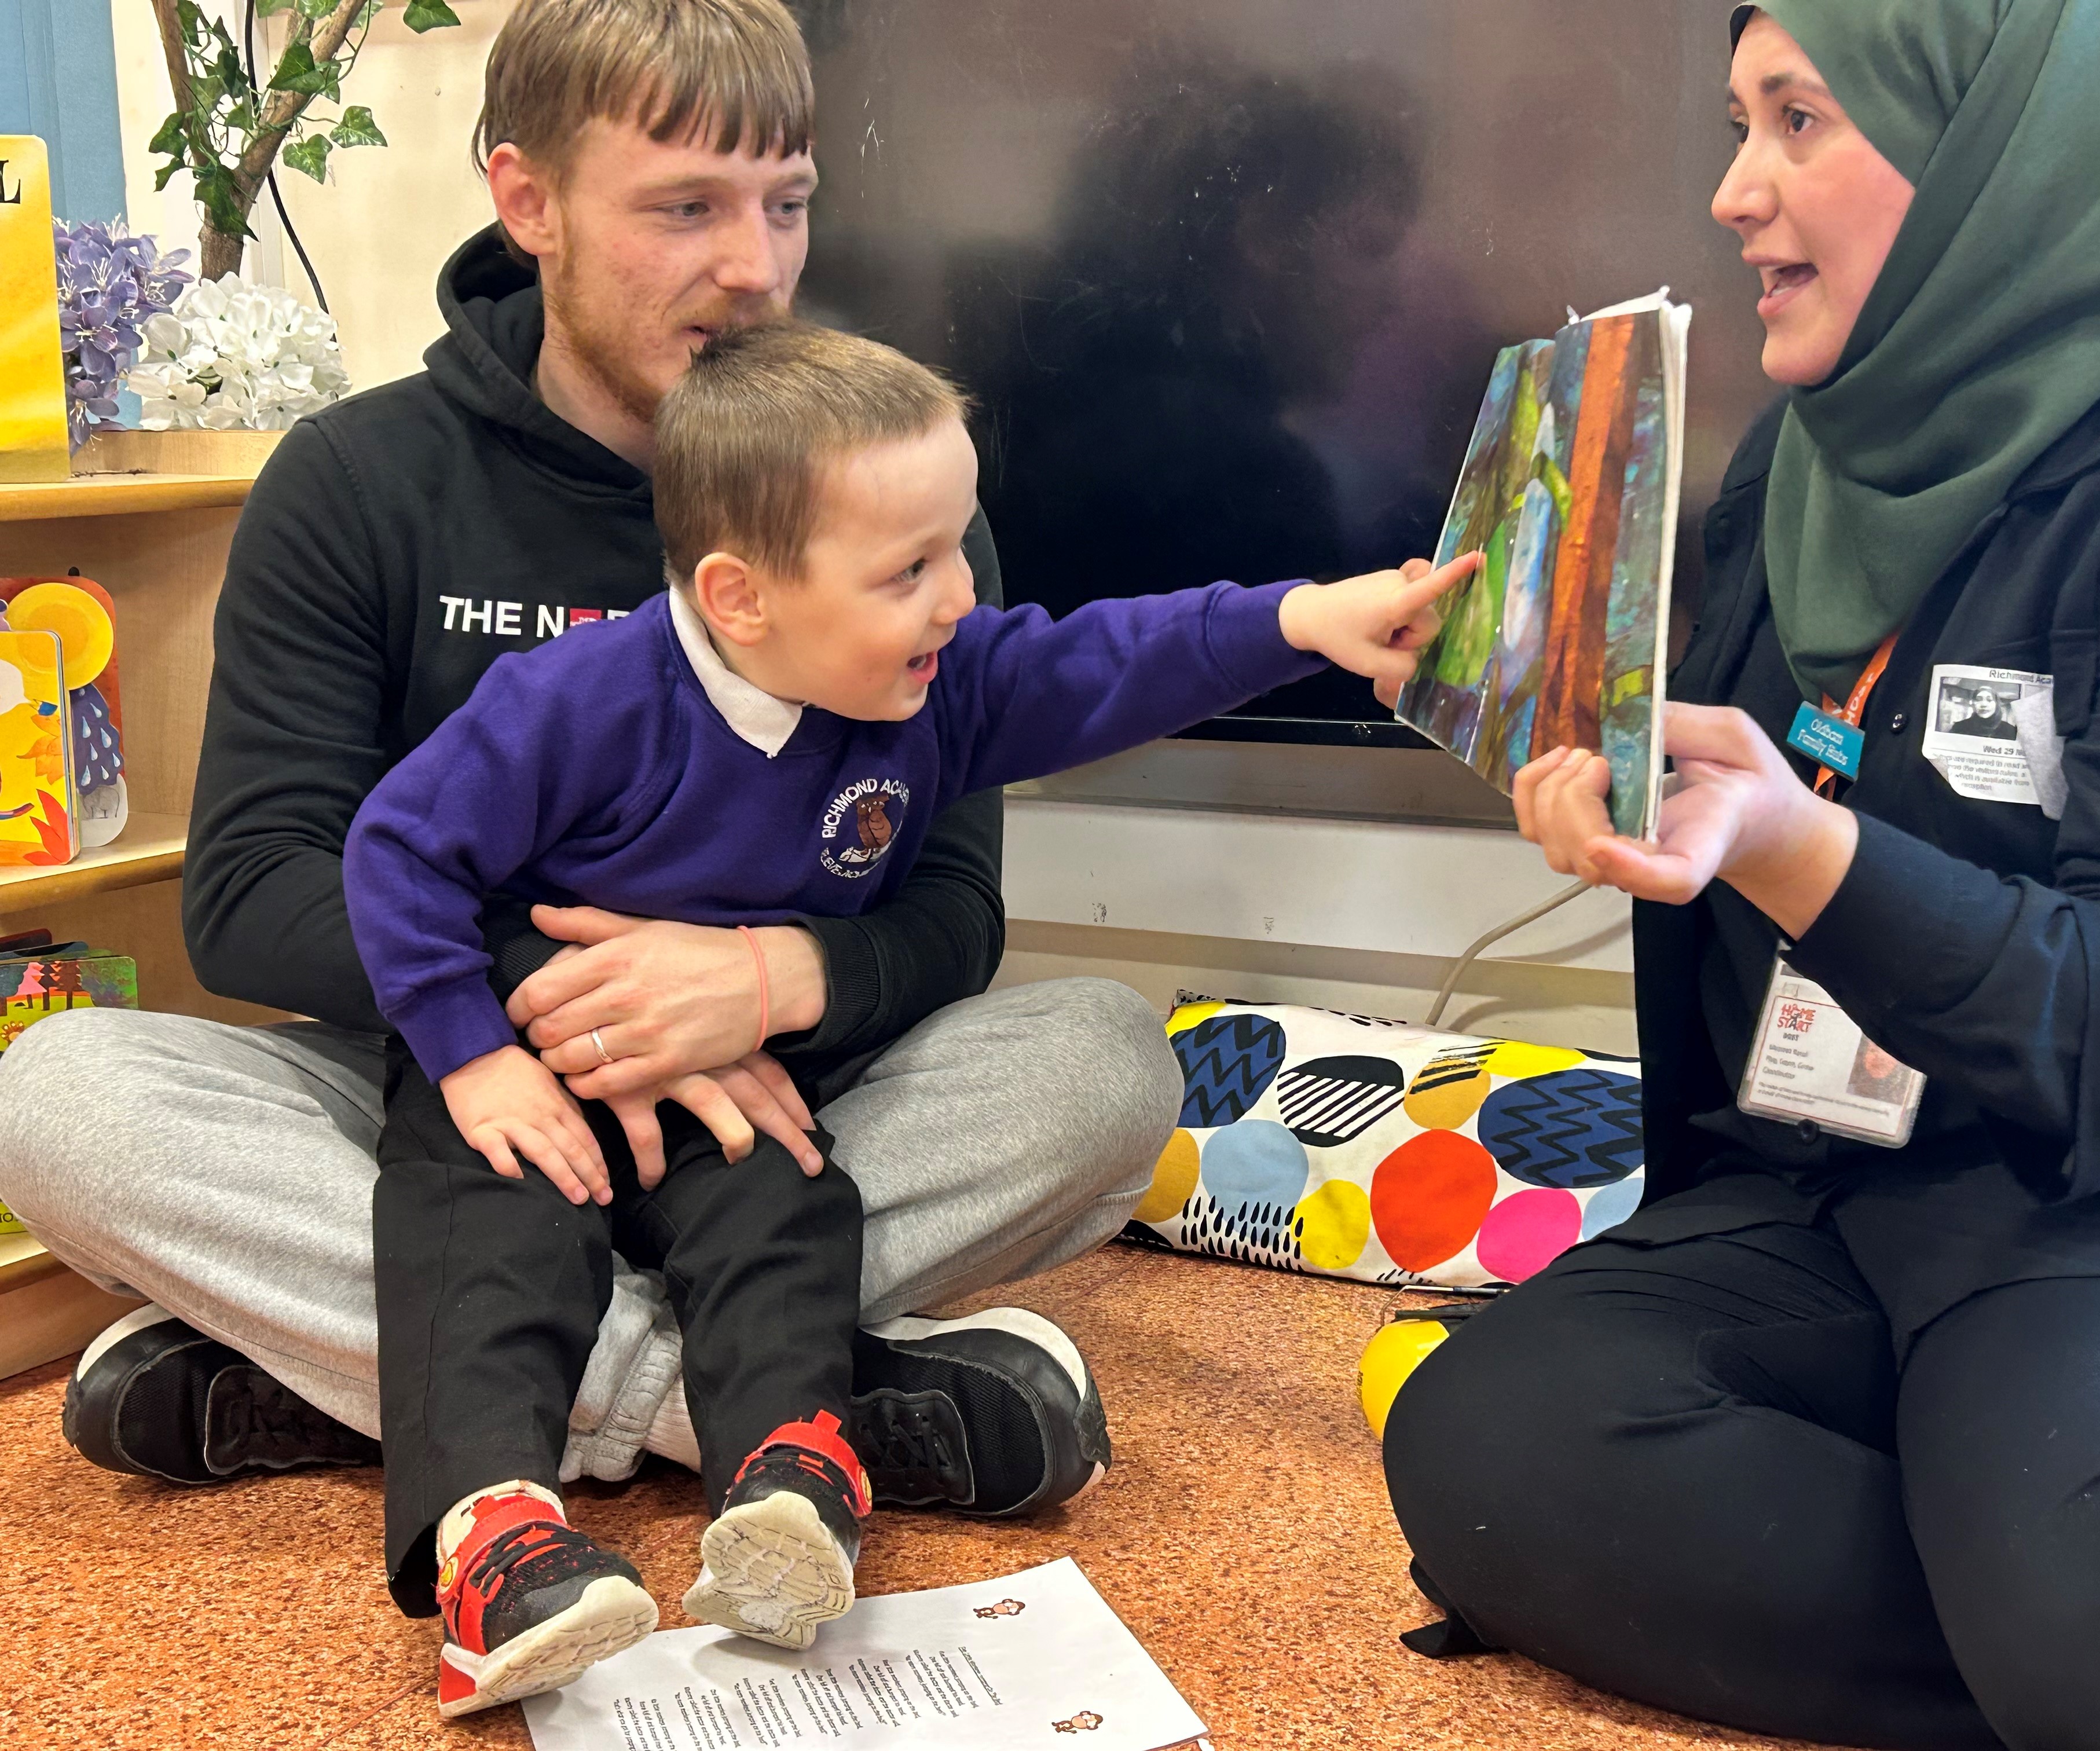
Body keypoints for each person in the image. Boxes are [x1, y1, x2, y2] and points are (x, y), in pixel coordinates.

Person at [0, 0, 1180, 1514]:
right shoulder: (355, 482)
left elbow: (946, 909)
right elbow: (249, 893)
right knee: (61, 1094)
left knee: (1104, 1063)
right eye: (685, 207)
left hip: (777, 1101)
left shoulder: (885, 487)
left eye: (790, 203)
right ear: (528, 200)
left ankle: (423, 1389)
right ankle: (775, 1410)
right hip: (456, 1098)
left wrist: (762, 984)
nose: (754, 268)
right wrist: (556, 1007)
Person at [1383, 5, 2100, 1750]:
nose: (1736, 192)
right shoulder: (1802, 460)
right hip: (1832, 1183)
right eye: (1740, 124)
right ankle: (2063, 1624)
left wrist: (1805, 855)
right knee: (1491, 1450)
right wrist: (1552, 696)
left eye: (1798, 121)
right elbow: (1742, 799)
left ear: (2013, 148)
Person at [349, 321, 1464, 1714]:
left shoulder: (936, 687)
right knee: (488, 1237)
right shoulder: (575, 699)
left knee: (794, 1209)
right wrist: (471, 1056)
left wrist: (1302, 622)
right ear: (741, 599)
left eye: (957, 548)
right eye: (910, 571)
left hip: (745, 1090)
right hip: (532, 1082)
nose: (958, 601)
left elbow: (1112, 656)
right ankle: (493, 1547)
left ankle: (786, 1487)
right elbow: (395, 851)